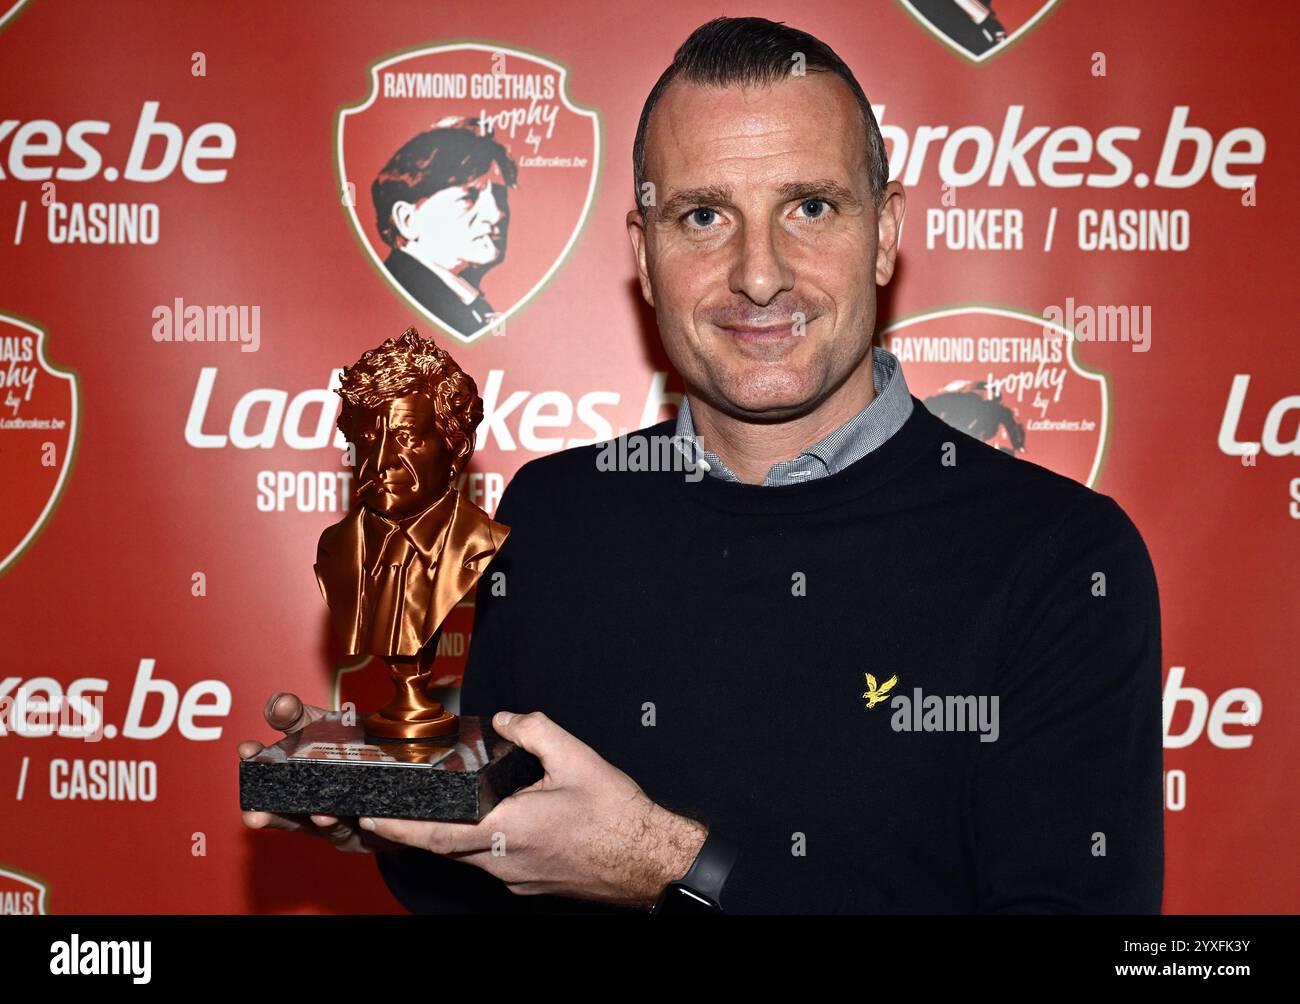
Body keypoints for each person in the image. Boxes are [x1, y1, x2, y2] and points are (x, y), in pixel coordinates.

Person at [240, 16, 1163, 915]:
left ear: (884, 234)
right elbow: (519, 869)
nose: (759, 274)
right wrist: (401, 822)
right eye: (703, 215)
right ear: (645, 256)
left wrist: (675, 869)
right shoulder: (555, 514)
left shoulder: (1060, 558)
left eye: (810, 207)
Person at [371, 119, 516, 337]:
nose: (496, 214)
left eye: (499, 195)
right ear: (407, 220)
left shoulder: (464, 300)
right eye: (469, 197)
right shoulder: (404, 302)